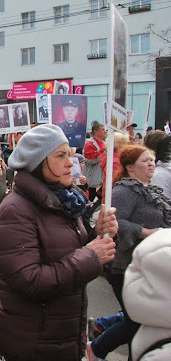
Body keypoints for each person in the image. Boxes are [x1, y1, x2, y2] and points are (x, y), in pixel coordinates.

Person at [0, 124, 118, 361]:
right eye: (60, 155)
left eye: (69, 153)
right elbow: (29, 281)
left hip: (60, 334)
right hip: (32, 342)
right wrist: (91, 255)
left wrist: (96, 233)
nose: (71, 162)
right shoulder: (16, 210)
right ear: (37, 164)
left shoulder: (63, 200)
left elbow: (64, 249)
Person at [87, 145, 171, 361]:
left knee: (142, 317)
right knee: (138, 320)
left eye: (152, 159)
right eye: (145, 160)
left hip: (147, 263)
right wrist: (146, 232)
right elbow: (115, 222)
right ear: (130, 167)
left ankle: (103, 329)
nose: (151, 163)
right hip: (124, 264)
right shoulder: (124, 190)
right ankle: (96, 349)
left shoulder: (151, 190)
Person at [122, 228, 171, 361]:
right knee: (130, 322)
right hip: (132, 264)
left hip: (153, 270)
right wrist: (146, 232)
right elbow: (121, 223)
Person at [84, 121, 107, 202]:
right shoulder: (90, 144)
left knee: (103, 202)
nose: (105, 131)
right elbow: (89, 160)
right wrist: (103, 152)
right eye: (103, 129)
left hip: (101, 181)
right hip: (91, 181)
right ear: (96, 132)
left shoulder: (104, 143)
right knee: (88, 203)